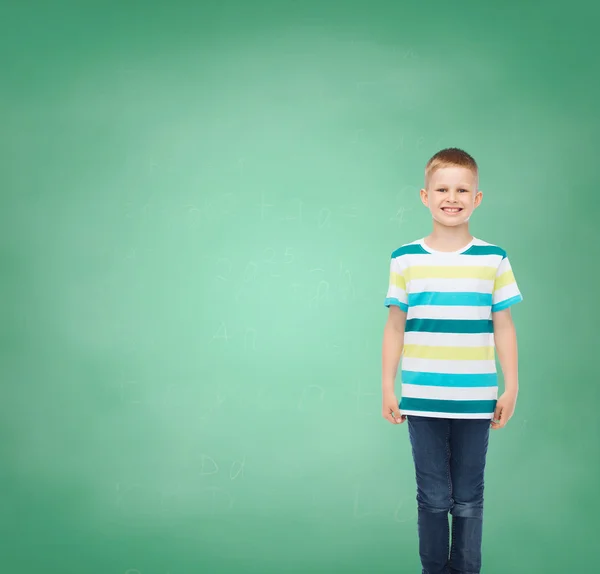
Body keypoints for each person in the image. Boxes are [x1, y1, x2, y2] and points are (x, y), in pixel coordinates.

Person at [381, 147, 522, 574]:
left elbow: (504, 326)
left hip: (476, 398)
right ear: (425, 195)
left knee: (468, 496)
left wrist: (511, 385)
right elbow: (394, 327)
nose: (452, 197)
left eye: (463, 189)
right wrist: (388, 386)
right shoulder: (405, 258)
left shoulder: (493, 258)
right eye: (442, 188)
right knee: (433, 497)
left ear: (477, 198)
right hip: (421, 398)